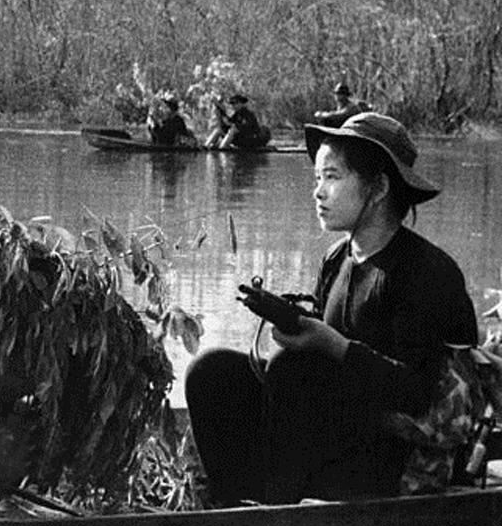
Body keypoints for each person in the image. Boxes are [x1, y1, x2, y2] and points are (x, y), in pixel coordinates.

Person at [185, 112, 477, 505]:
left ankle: (278, 509)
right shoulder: (336, 258)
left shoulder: (426, 271)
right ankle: (235, 507)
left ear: (378, 189)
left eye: (333, 177)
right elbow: (317, 373)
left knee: (295, 368)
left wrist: (333, 345)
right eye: (317, 178)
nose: (318, 192)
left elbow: (416, 395)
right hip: (336, 435)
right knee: (212, 370)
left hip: (396, 451)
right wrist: (295, 329)